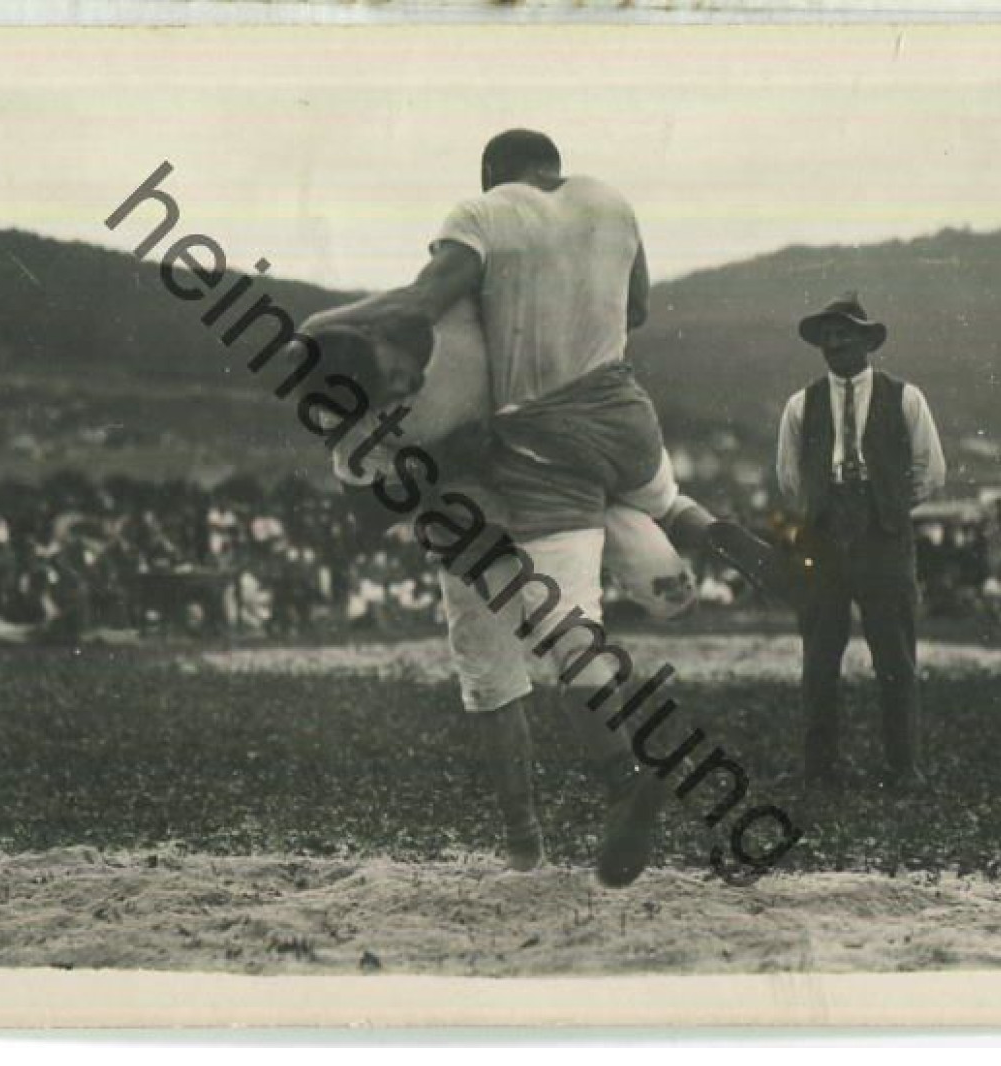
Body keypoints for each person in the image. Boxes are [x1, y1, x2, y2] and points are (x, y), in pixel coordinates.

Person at [302, 130, 729, 886]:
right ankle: (524, 842)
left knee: (590, 626)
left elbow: (538, 301)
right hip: (465, 525)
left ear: (397, 339)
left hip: (542, 484)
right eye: (384, 397)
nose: (399, 393)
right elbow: (365, 512)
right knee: (495, 681)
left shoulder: (464, 309)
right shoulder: (354, 423)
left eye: (397, 377)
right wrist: (446, 458)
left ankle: (621, 773)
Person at [776, 292, 946, 794]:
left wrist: (888, 506)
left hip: (884, 538)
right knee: (819, 657)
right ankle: (819, 766)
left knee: (895, 656)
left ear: (867, 340)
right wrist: (823, 507)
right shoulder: (799, 405)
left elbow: (931, 471)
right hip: (823, 538)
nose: (837, 343)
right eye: (829, 336)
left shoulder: (906, 398)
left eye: (846, 333)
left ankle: (903, 766)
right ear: (821, 345)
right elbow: (790, 478)